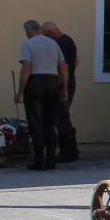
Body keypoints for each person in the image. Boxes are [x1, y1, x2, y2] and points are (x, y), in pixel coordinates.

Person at [16, 20, 67, 171]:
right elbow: (63, 67)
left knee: (35, 122)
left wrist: (20, 91)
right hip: (52, 82)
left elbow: (26, 67)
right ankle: (51, 159)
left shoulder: (27, 43)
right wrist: (63, 88)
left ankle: (39, 159)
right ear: (39, 29)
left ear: (27, 31)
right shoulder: (53, 43)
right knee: (49, 122)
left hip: (35, 82)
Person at [41, 22, 79, 163]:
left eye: (45, 35)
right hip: (68, 82)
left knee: (61, 117)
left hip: (63, 85)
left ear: (51, 32)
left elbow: (64, 66)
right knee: (61, 116)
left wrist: (60, 84)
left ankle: (68, 151)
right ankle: (70, 149)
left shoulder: (61, 43)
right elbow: (76, 62)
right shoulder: (67, 40)